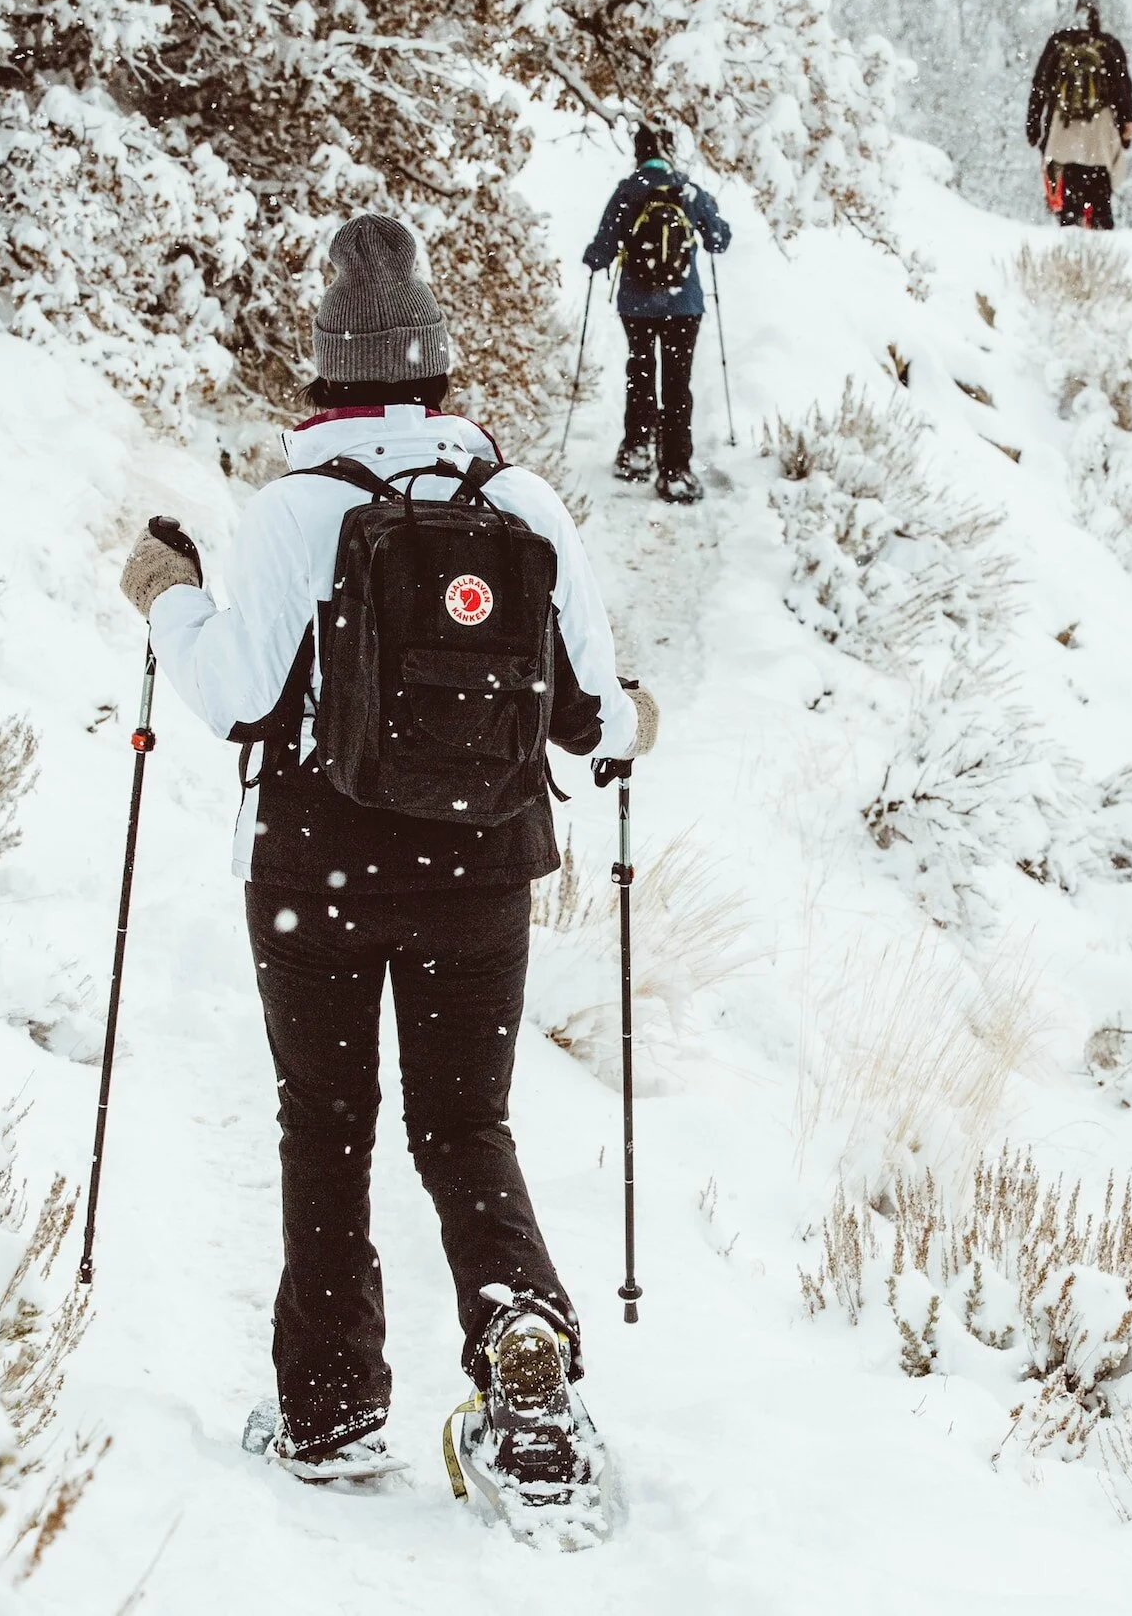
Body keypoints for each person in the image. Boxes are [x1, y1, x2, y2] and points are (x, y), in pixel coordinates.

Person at [116, 213, 658, 1511]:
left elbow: (242, 700)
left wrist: (165, 595)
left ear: (324, 368)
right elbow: (595, 720)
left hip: (316, 872)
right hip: (482, 874)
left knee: (328, 1122)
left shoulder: (294, 508)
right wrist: (640, 713)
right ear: (437, 366)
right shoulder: (520, 501)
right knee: (465, 1122)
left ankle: (331, 1408)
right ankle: (520, 1331)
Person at [581, 124, 732, 504]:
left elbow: (603, 247)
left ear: (638, 152)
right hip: (684, 305)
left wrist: (594, 257)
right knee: (678, 383)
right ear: (670, 150)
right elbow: (718, 240)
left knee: (641, 372)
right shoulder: (687, 189)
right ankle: (676, 470)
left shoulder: (629, 189)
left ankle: (636, 451)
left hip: (637, 305)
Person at [1026, 0, 1132, 231]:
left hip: (1063, 131)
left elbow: (1040, 84)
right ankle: (1102, 245)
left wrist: (1034, 125)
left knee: (1070, 200)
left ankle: (1070, 243)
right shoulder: (1108, 45)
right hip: (1099, 132)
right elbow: (1122, 88)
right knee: (1100, 199)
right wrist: (1126, 126)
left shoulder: (1058, 43)